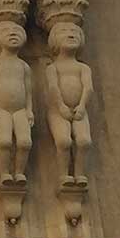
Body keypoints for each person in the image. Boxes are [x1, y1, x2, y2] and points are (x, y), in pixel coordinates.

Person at [46, 22, 93, 186]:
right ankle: (64, 175)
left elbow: (88, 87)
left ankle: (80, 175)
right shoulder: (53, 67)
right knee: (63, 141)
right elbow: (53, 87)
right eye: (64, 32)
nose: (71, 34)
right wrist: (61, 107)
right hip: (58, 111)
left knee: (84, 141)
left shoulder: (83, 67)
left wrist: (81, 106)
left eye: (75, 31)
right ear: (54, 41)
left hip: (80, 110)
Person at [0, 21, 33, 185]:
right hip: (3, 110)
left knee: (25, 142)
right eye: (6, 31)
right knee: (4, 141)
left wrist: (29, 110)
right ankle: (5, 173)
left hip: (20, 109)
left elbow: (28, 89)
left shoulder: (24, 65)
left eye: (17, 31)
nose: (12, 33)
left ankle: (19, 172)